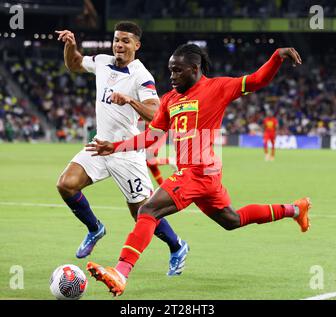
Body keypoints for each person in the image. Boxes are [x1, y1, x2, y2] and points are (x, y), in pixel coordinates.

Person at [85, 44, 312, 296]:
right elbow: (151, 137)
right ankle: (294, 209)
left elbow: (258, 80)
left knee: (148, 210)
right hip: (204, 176)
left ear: (194, 69)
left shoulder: (218, 87)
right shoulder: (170, 100)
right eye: (170, 71)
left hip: (198, 170)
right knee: (231, 220)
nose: (172, 77)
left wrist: (276, 56)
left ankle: (121, 272)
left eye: (177, 71)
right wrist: (115, 146)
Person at [55, 22, 189, 277]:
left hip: (126, 152)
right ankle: (95, 228)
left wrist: (129, 99)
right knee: (66, 184)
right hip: (100, 144)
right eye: (117, 39)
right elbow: (74, 64)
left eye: (126, 41)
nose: (119, 44)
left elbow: (156, 113)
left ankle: (177, 245)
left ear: (136, 45)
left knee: (142, 213)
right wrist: (71, 46)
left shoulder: (141, 75)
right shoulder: (103, 61)